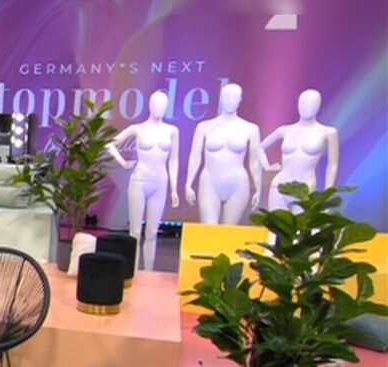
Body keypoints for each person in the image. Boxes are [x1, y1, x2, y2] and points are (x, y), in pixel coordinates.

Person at [106, 91, 180, 271]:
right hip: (139, 181)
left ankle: (149, 272)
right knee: (135, 232)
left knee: (153, 232)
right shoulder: (137, 129)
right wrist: (123, 162)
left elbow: (173, 160)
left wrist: (174, 188)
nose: (160, 108)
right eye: (157, 104)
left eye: (163, 105)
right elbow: (109, 144)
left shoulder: (172, 131)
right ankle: (132, 271)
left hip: (160, 182)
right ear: (150, 105)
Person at [184, 83, 270, 224]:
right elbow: (195, 156)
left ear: (240, 100)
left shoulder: (250, 129)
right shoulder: (204, 127)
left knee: (228, 232)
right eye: (227, 96)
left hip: (237, 183)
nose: (230, 101)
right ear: (221, 98)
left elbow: (254, 161)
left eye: (234, 97)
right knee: (208, 230)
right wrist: (188, 183)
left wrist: (258, 188)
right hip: (210, 181)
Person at [260, 89, 340, 212]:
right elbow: (260, 147)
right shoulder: (284, 130)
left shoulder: (328, 132)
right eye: (303, 103)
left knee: (301, 224)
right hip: (279, 186)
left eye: (312, 103)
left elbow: (332, 166)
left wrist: (326, 197)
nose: (307, 107)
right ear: (298, 104)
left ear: (318, 106)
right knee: (276, 224)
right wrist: (267, 166)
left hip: (305, 187)